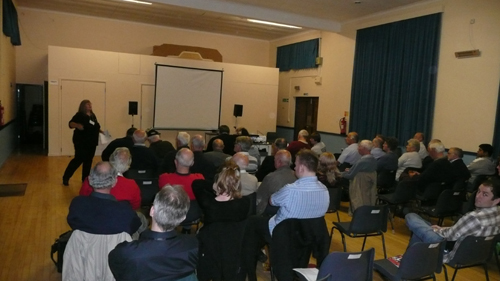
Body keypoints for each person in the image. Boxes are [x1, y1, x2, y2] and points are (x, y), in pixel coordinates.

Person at [108, 185, 199, 281]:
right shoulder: (194, 245)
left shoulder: (126, 252)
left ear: (152, 211)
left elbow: (118, 272)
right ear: (183, 218)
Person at [405, 178, 500, 263]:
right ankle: (409, 262)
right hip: (476, 255)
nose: (478, 196)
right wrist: (441, 228)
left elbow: (451, 235)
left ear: (496, 200)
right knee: (422, 228)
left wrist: (437, 230)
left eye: (485, 194)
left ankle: (407, 262)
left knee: (411, 217)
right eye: (478, 191)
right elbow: (464, 229)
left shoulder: (474, 217)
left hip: (449, 251)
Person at [192, 161, 251, 281]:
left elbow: (196, 184)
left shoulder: (209, 203)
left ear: (217, 182)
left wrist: (216, 185)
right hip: (234, 248)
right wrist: (228, 185)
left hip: (210, 249)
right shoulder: (245, 203)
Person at [67, 161, 141, 235]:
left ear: (89, 180)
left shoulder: (77, 205)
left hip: (84, 245)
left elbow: (73, 223)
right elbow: (134, 226)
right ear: (114, 182)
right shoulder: (125, 211)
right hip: (117, 246)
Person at [159, 148, 204, 234]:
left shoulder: (164, 178)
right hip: (193, 215)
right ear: (192, 163)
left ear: (175, 162)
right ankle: (187, 228)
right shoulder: (199, 179)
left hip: (172, 214)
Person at [62, 100, 102, 186]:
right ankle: (66, 177)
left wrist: (102, 132)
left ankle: (85, 179)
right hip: (81, 141)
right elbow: (70, 124)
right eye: (87, 104)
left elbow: (95, 126)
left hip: (92, 142)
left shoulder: (93, 116)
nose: (90, 106)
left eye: (90, 104)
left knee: (88, 161)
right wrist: (77, 125)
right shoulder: (79, 115)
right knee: (78, 160)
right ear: (83, 106)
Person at [342, 140, 377, 214]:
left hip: (360, 186)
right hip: (368, 186)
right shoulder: (374, 160)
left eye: (359, 146)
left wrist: (340, 174)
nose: (358, 148)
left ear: (364, 148)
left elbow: (350, 176)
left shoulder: (362, 161)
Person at [256, 150, 296, 215]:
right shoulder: (297, 176)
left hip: (273, 213)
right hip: (292, 213)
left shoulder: (270, 177)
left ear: (279, 162)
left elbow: (259, 197)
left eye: (274, 160)